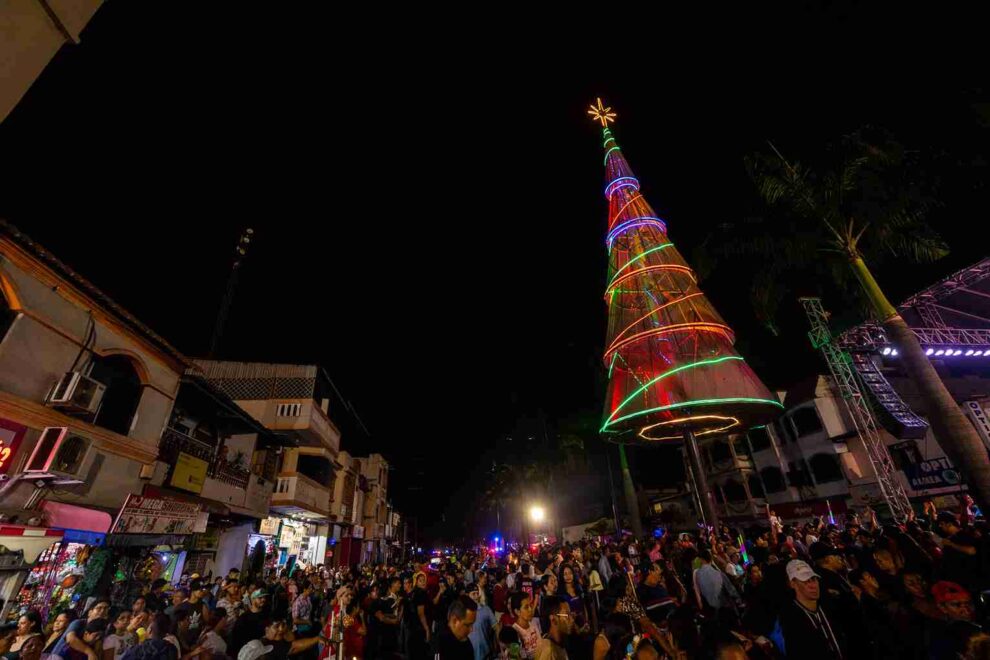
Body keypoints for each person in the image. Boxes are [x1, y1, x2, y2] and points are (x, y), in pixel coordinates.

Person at [778, 559, 845, 660]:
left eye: (814, 579)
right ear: (793, 584)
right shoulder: (792, 622)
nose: (813, 586)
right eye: (805, 581)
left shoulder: (830, 606)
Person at [929, 581, 983, 660]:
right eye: (957, 605)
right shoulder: (942, 636)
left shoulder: (980, 622)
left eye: (968, 603)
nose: (965, 609)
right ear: (942, 608)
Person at [692, 549, 739, 617]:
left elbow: (697, 591)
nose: (737, 557)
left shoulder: (697, 572)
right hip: (721, 605)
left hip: (713, 606)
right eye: (735, 556)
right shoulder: (723, 569)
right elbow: (730, 588)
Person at [430, 595, 476, 660]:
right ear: (455, 621)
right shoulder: (439, 645)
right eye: (467, 625)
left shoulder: (467, 644)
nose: (471, 630)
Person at [230, 589, 270, 659]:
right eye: (260, 598)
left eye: (264, 597)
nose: (263, 600)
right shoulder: (244, 618)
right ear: (253, 599)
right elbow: (236, 639)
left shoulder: (267, 614)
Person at [466, 582, 495, 660]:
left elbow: (496, 626)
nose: (476, 596)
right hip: (468, 653)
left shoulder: (486, 609)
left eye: (477, 593)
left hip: (485, 652)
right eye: (473, 594)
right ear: (467, 595)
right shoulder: (462, 612)